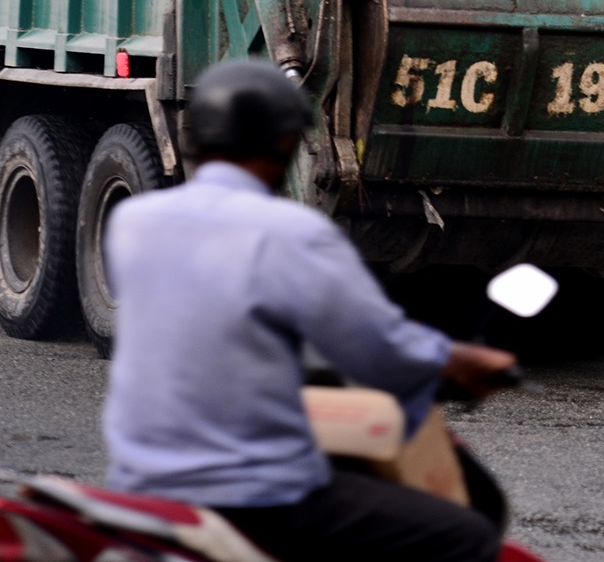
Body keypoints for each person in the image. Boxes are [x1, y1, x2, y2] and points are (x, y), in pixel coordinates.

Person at [101, 59, 517, 561]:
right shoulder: (292, 233)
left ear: (197, 136)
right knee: (465, 536)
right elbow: (377, 350)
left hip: (141, 479)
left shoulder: (134, 221)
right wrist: (456, 361)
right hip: (252, 494)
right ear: (285, 141)